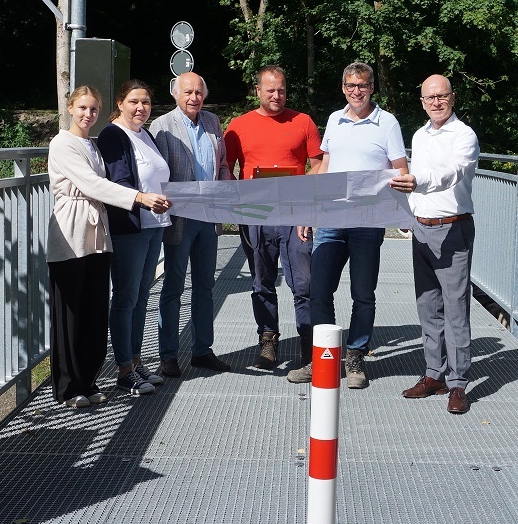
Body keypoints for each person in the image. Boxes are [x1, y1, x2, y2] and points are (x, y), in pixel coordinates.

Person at [46, 86, 170, 409]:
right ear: (70, 108)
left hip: (97, 233)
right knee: (71, 310)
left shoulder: (92, 144)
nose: (88, 115)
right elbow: (92, 184)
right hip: (71, 232)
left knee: (94, 309)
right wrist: (139, 198)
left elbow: (99, 185)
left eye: (93, 110)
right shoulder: (61, 143)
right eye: (82, 108)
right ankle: (68, 386)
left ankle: (88, 379)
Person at [288, 62, 407, 389]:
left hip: (368, 223)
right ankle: (321, 358)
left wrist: (397, 211)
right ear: (343, 88)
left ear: (372, 89)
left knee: (363, 292)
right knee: (319, 290)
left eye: (363, 86)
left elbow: (400, 170)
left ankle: (355, 356)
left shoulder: (387, 122)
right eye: (351, 86)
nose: (357, 91)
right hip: (330, 221)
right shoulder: (334, 120)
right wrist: (306, 212)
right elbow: (325, 166)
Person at [223, 65, 323, 371]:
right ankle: (268, 338)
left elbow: (318, 163)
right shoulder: (238, 126)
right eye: (270, 90)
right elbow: (226, 170)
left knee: (303, 282)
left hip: (295, 216)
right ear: (258, 90)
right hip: (256, 216)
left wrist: (305, 202)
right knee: (261, 281)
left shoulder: (303, 121)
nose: (276, 95)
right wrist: (239, 201)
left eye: (281, 89)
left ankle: (307, 340)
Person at [390, 74, 479, 414]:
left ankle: (458, 383)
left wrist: (418, 182)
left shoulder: (464, 135)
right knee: (428, 306)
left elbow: (452, 173)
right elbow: (412, 182)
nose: (436, 102)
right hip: (422, 229)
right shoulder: (420, 135)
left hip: (452, 228)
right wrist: (407, 216)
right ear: (423, 102)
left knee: (455, 308)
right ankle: (433, 375)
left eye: (442, 96)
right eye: (430, 98)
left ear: (452, 98)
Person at [149, 71, 230, 376]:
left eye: (198, 92)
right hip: (179, 219)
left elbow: (221, 164)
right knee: (173, 286)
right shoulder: (162, 126)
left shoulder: (212, 122)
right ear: (175, 94)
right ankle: (168, 354)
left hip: (207, 218)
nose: (194, 97)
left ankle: (202, 350)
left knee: (205, 286)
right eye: (187, 92)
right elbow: (158, 173)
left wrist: (224, 188)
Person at [97, 80, 173, 397]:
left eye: (145, 102)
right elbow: (118, 181)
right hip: (131, 226)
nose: (140, 107)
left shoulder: (145, 134)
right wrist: (143, 199)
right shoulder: (113, 135)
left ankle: (137, 361)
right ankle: (124, 369)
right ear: (120, 103)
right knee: (126, 298)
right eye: (133, 102)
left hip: (154, 223)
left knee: (142, 296)